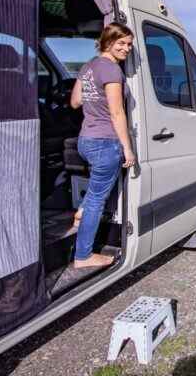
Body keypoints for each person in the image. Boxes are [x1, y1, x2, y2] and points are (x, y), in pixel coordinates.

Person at [69, 22, 136, 268]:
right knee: (97, 200)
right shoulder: (112, 70)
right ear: (108, 42)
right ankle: (83, 256)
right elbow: (117, 113)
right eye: (121, 43)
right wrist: (128, 149)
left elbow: (76, 101)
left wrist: (94, 103)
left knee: (95, 191)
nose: (127, 48)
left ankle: (81, 212)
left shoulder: (88, 67)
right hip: (106, 142)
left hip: (85, 140)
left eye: (129, 44)